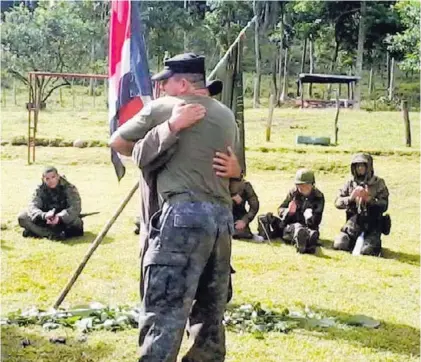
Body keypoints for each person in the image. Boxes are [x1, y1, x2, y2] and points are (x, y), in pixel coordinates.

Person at [110, 53, 239, 361]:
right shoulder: (227, 115)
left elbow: (117, 142)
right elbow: (234, 179)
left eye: (165, 82)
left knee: (164, 311)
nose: (161, 89)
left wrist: (162, 137)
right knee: (210, 313)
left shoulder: (164, 108)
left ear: (182, 84)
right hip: (221, 222)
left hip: (182, 217)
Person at [333, 153, 390, 256]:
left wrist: (370, 200)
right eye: (357, 166)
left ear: (368, 167)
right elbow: (337, 202)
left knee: (368, 251)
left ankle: (373, 242)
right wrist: (351, 198)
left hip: (373, 224)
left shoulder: (378, 183)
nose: (360, 168)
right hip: (353, 224)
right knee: (340, 243)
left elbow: (384, 205)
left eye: (362, 165)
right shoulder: (350, 183)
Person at [257, 169, 324, 254]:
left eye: (305, 185)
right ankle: (266, 234)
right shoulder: (293, 193)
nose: (302, 188)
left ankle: (304, 240)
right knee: (265, 217)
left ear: (312, 185)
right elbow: (280, 209)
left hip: (308, 227)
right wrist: (288, 211)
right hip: (289, 223)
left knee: (299, 228)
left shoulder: (318, 197)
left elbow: (316, 221)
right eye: (300, 185)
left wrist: (309, 216)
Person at [18, 166, 83, 241]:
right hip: (45, 219)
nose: (51, 181)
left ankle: (37, 232)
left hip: (64, 220)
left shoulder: (69, 188)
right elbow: (32, 206)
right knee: (22, 217)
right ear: (43, 179)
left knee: (77, 223)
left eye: (53, 177)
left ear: (58, 176)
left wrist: (59, 217)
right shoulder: (39, 189)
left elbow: (75, 207)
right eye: (47, 179)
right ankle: (51, 234)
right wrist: (44, 215)